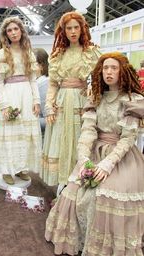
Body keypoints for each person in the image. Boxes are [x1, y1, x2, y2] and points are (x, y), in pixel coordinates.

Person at [45, 52, 144, 256]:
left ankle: (107, 253)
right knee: (73, 190)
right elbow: (88, 131)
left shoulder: (133, 100)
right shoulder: (96, 97)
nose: (108, 72)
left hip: (121, 157)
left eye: (113, 68)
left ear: (123, 71)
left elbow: (128, 139)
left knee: (107, 194)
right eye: (105, 68)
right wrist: (83, 160)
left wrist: (107, 165)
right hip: (95, 152)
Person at [40, 11, 101, 192]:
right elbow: (52, 83)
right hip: (62, 101)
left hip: (82, 100)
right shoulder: (58, 55)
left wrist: (93, 87)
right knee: (61, 139)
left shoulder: (91, 51)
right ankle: (64, 183)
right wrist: (49, 106)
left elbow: (100, 77)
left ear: (82, 29)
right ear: (63, 31)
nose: (73, 31)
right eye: (69, 28)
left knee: (81, 139)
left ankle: (80, 178)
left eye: (76, 27)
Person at [0, 17, 42, 185]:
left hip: (26, 95)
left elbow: (33, 79)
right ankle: (6, 170)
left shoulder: (29, 53)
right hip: (9, 95)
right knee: (8, 133)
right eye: (9, 30)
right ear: (6, 34)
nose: (13, 33)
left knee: (24, 134)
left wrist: (36, 100)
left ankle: (20, 168)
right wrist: (4, 105)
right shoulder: (1, 54)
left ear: (21, 31)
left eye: (15, 29)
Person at [33, 48, 49, 136]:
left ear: (41, 65)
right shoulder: (36, 81)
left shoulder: (44, 84)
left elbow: (46, 118)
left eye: (33, 63)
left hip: (40, 135)